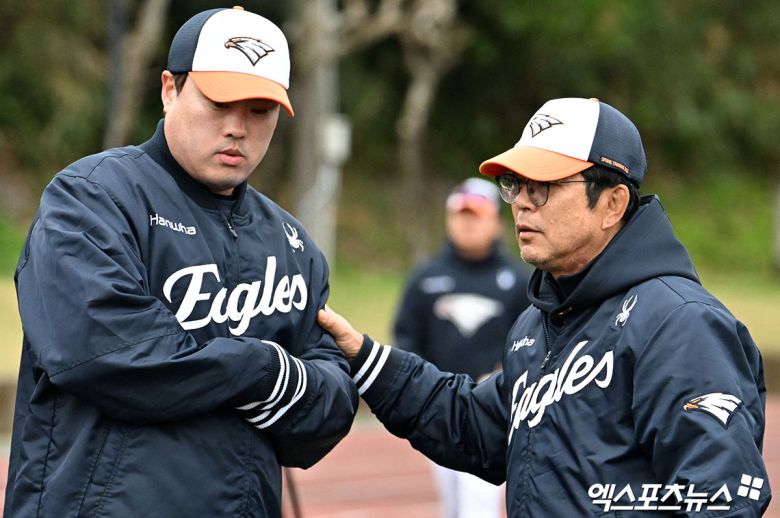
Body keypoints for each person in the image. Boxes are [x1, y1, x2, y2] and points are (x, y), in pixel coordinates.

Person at [319, 97, 771, 516]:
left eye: (544, 186)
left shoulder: (679, 323)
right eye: (516, 185)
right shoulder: (538, 324)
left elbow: (721, 498)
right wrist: (363, 355)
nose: (520, 203)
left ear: (613, 204)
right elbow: (473, 427)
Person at [5, 7, 357, 517]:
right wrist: (266, 370)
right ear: (170, 89)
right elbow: (111, 358)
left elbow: (328, 411)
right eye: (219, 102)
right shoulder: (93, 198)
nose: (237, 127)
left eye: (259, 109)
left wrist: (229, 371)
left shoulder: (291, 243)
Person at [392, 177, 530, 517]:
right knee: (453, 506)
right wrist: (422, 387)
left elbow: (533, 342)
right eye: (461, 215)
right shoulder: (425, 278)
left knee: (477, 506)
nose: (467, 224)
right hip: (439, 408)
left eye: (476, 216)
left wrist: (506, 378)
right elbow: (406, 337)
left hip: (493, 412)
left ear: (496, 222)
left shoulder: (519, 280)